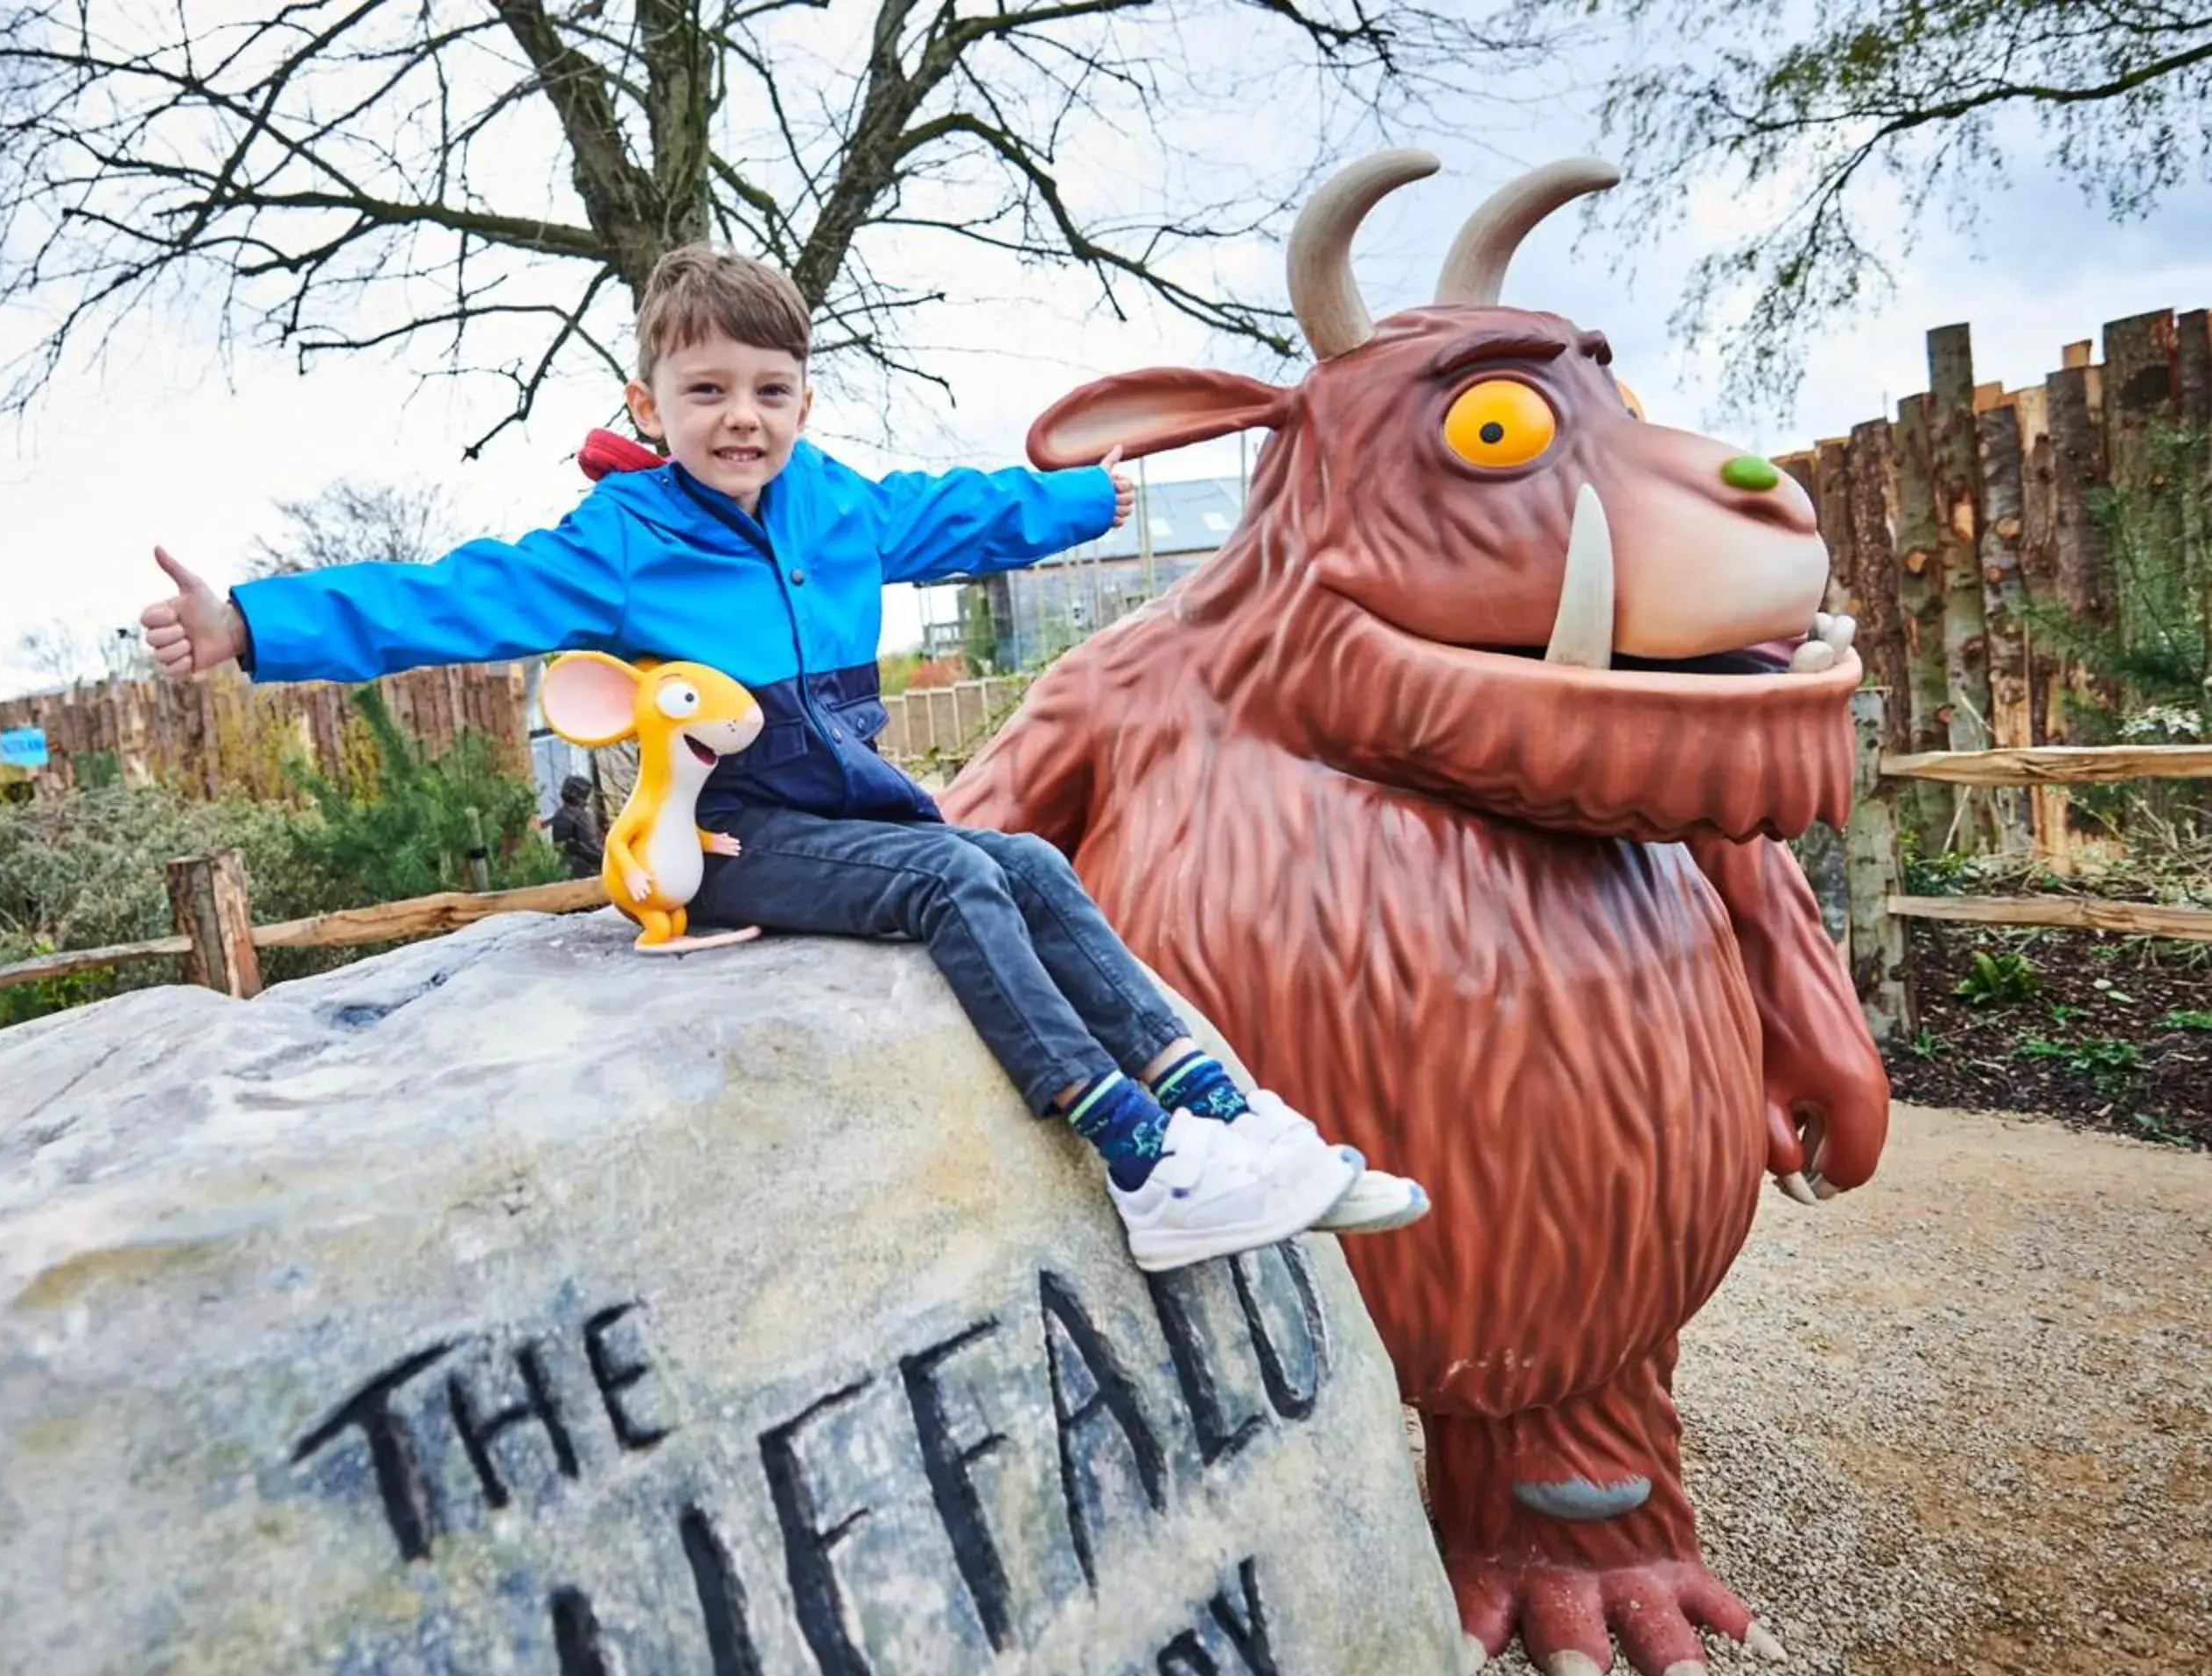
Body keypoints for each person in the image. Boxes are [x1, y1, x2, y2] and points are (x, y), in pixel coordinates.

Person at [138, 245, 1426, 1273]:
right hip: (725, 843)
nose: (739, 418)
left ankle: (1217, 1107)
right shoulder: (623, 540)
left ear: (804, 401)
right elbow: (447, 596)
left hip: (851, 812)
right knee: (952, 885)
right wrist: (249, 623)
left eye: (767, 391)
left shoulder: (834, 507)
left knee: (1023, 860)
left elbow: (959, 511)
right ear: (649, 406)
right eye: (705, 393)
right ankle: (1139, 1158)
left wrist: (1086, 501)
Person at [547, 773, 607, 880]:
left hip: (565, 871)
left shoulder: (560, 815)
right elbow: (591, 845)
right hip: (586, 872)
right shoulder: (580, 816)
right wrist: (609, 858)